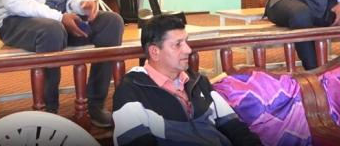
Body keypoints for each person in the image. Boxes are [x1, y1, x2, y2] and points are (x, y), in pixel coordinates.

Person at [112, 15, 261, 146]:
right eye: (178, 44)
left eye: (186, 42)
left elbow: (234, 127)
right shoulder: (131, 91)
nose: (188, 50)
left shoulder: (198, 82)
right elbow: (135, 141)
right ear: (155, 52)